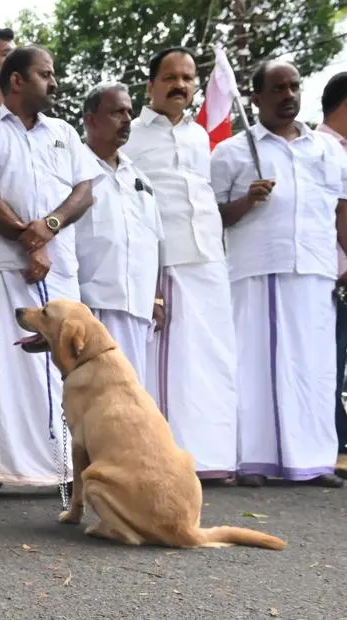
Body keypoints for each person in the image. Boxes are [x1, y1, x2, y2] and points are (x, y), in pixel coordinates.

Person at [0, 45, 101, 501]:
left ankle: (68, 469)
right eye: (45, 74)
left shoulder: (64, 133)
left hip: (59, 270)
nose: (54, 82)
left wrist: (48, 228)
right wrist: (27, 241)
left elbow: (84, 192)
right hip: (0, 268)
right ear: (16, 80)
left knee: (64, 367)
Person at [210, 61, 346, 488]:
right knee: (258, 367)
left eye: (294, 86)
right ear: (256, 98)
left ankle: (316, 460)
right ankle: (255, 459)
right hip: (258, 268)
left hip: (316, 270)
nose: (288, 95)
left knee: (316, 368)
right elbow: (212, 218)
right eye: (278, 88)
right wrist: (246, 201)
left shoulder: (328, 151)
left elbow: (341, 211)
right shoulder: (232, 152)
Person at [124, 47, 238, 484]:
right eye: (170, 77)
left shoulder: (199, 136)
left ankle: (211, 456)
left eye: (188, 78)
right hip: (165, 257)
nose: (181, 85)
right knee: (170, 365)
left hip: (208, 257)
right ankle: (169, 457)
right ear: (150, 85)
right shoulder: (131, 135)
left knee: (213, 359)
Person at [74, 82, 165, 384]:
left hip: (137, 309)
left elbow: (152, 241)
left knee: (131, 395)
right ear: (90, 119)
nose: (127, 119)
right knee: (95, 396)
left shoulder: (140, 179)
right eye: (117, 112)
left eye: (129, 112)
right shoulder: (72, 169)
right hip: (93, 305)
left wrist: (156, 298)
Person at [316, 71, 347, 478]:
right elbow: (338, 217)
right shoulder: (320, 149)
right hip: (335, 277)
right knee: (331, 365)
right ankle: (334, 442)